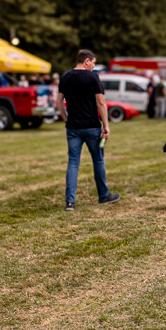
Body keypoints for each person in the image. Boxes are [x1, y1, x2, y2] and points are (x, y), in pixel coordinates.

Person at [55, 49, 120, 210]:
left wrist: (65, 118)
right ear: (86, 61)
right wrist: (106, 125)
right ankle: (103, 195)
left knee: (73, 163)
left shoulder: (65, 76)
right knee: (98, 160)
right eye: (93, 63)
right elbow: (101, 103)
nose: (93, 66)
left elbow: (58, 101)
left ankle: (70, 202)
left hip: (73, 127)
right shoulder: (93, 77)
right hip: (92, 126)